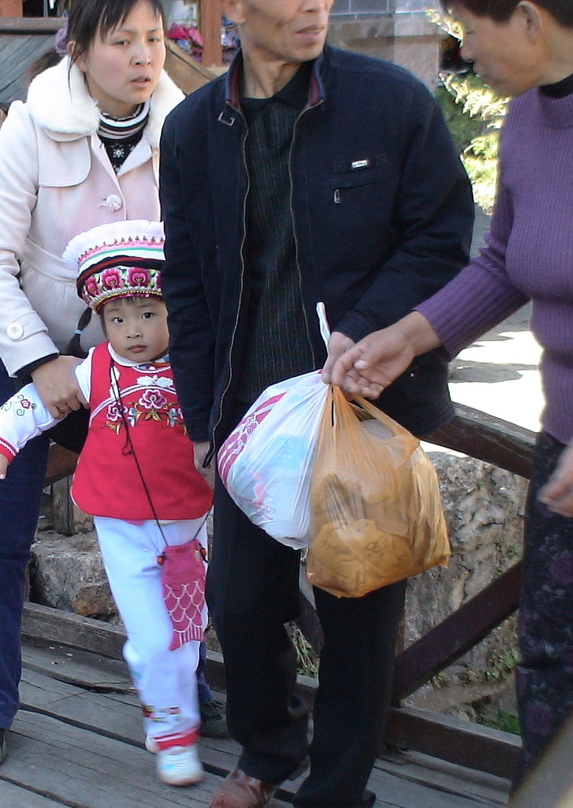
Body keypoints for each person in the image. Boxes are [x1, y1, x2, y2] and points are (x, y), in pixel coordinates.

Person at [157, 0, 477, 802]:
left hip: (364, 407)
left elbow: (443, 237)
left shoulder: (389, 102)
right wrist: (202, 417)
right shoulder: (195, 129)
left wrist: (370, 328)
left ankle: (336, 790)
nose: (312, 6)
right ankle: (269, 750)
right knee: (238, 601)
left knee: (359, 614)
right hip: (251, 415)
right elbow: (188, 284)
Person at [0, 0, 226, 771]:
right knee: (1, 533)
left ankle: (186, 692)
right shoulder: (31, 125)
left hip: (148, 359)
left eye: (153, 40)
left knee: (186, 528)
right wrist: (40, 360)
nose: (144, 58)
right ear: (77, 48)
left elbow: (204, 255)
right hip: (27, 348)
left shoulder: (186, 128)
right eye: (122, 42)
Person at [328, 0, 573, 791]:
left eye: (471, 26)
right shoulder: (532, 121)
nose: (461, 51)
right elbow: (503, 261)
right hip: (562, 443)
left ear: (531, 20)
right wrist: (410, 334)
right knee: (550, 663)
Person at [0, 220, 213, 786]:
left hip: (187, 524)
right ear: (100, 323)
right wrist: (1, 442)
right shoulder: (95, 370)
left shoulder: (194, 375)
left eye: (149, 314)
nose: (134, 331)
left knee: (186, 628)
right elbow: (35, 404)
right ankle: (175, 730)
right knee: (153, 634)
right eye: (118, 318)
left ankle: (167, 709)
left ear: (174, 312)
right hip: (120, 523)